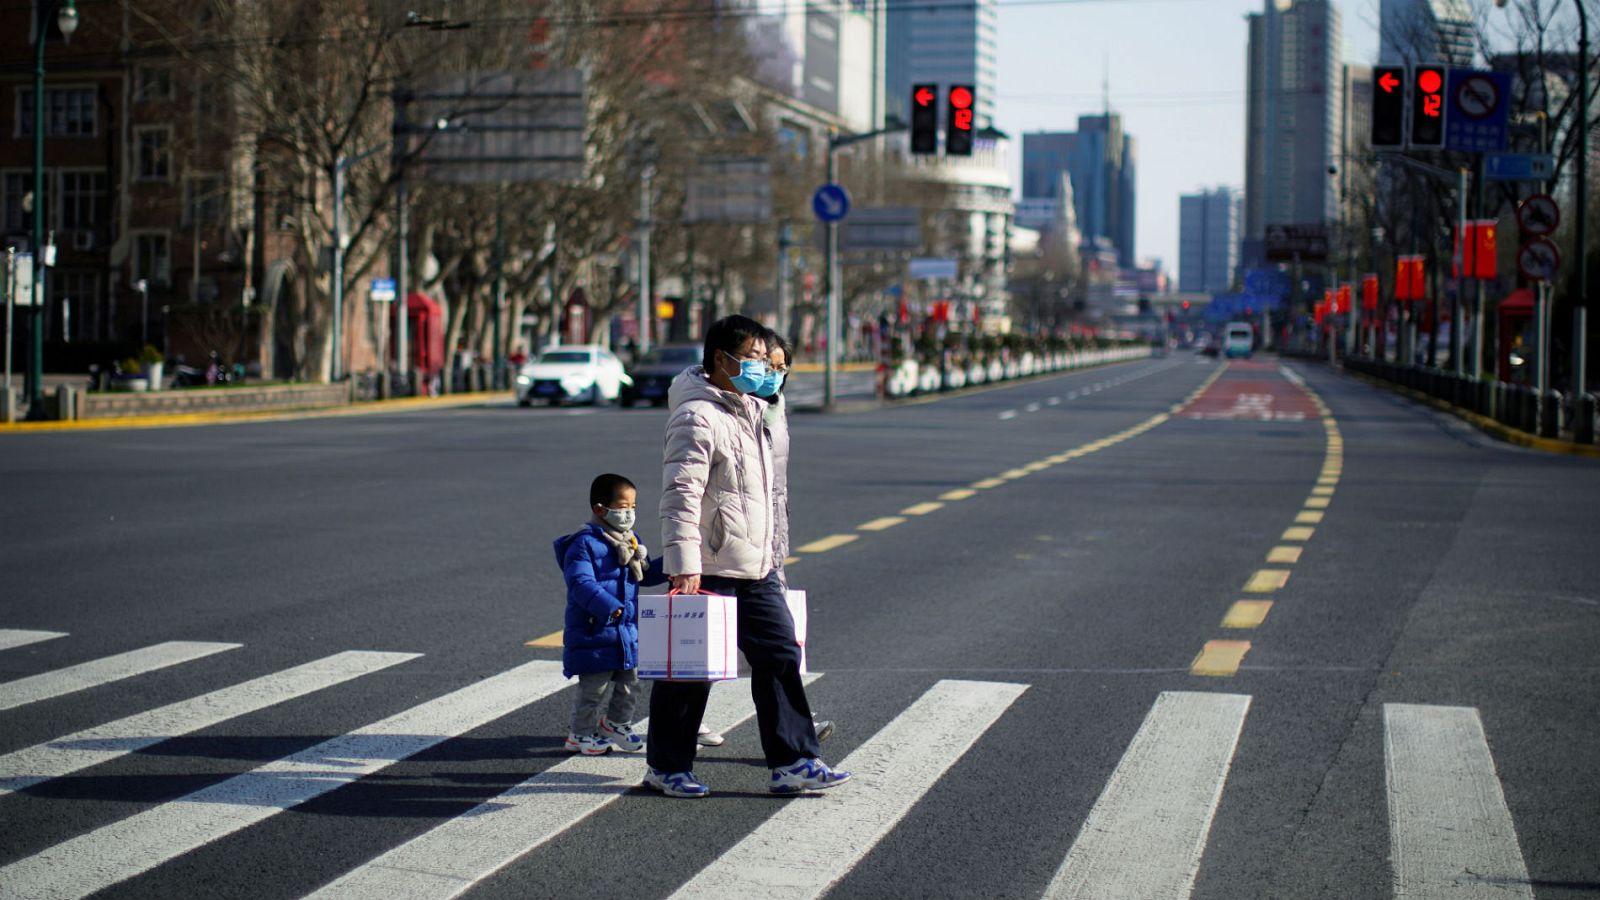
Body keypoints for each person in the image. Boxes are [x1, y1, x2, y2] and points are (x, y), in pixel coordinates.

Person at [645, 315, 850, 799]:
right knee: (690, 673)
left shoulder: (752, 409)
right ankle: (666, 767)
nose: (763, 366)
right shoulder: (697, 415)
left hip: (756, 566)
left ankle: (794, 762)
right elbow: (680, 493)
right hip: (710, 565)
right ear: (722, 358)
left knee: (780, 654)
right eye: (755, 357)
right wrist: (683, 563)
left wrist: (773, 553)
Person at [755, 332, 833, 744]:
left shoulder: (775, 407)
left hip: (769, 540)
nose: (774, 374)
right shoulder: (731, 409)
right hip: (729, 547)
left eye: (782, 367)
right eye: (767, 364)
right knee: (717, 639)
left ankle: (796, 730)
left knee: (777, 644)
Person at [553, 473, 665, 756]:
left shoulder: (630, 541)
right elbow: (581, 583)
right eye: (623, 507)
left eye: (633, 508)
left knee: (631, 682)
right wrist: (608, 607)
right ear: (600, 509)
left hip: (626, 629)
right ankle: (579, 734)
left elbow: (644, 573)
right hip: (595, 628)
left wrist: (677, 563)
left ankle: (616, 723)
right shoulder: (583, 544)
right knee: (594, 689)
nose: (629, 514)